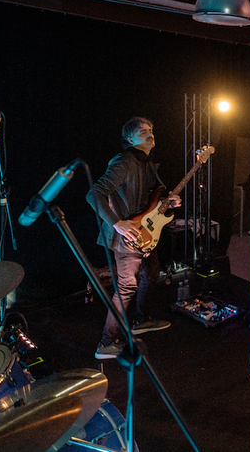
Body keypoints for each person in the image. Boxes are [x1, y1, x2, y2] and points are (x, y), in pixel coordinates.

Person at [87, 117, 177, 360]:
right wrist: (117, 223)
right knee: (127, 286)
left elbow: (149, 200)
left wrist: (167, 203)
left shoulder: (147, 164)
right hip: (128, 236)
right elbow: (94, 193)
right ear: (129, 139)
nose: (150, 134)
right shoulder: (124, 161)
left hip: (148, 231)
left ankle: (141, 320)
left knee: (151, 273)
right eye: (143, 131)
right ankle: (106, 343)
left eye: (151, 130)